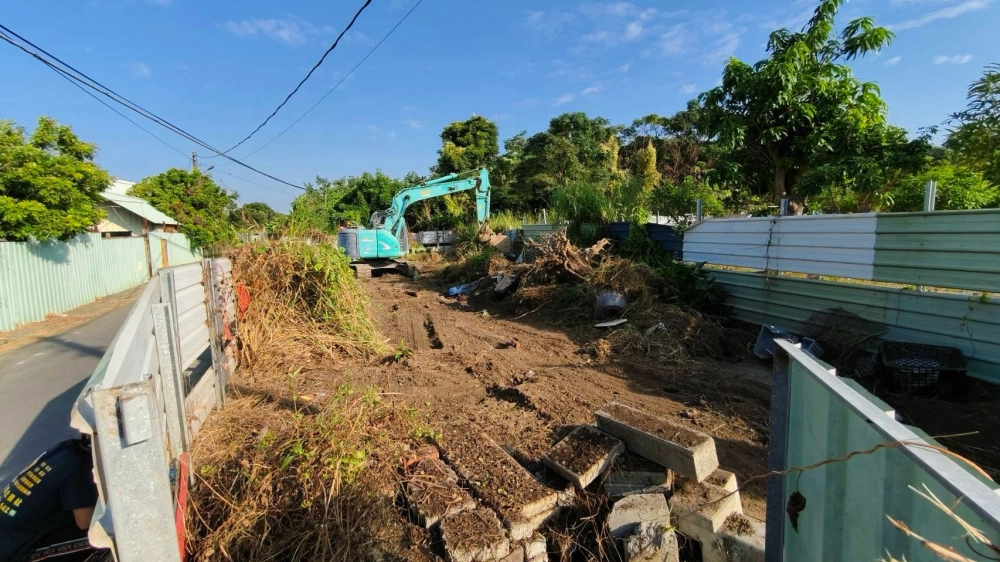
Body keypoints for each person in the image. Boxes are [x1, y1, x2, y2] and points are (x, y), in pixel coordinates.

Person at [0, 436, 107, 562]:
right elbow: (85, 521)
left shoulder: (66, 448)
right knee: (106, 533)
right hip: (15, 553)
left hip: (10, 537)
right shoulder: (81, 464)